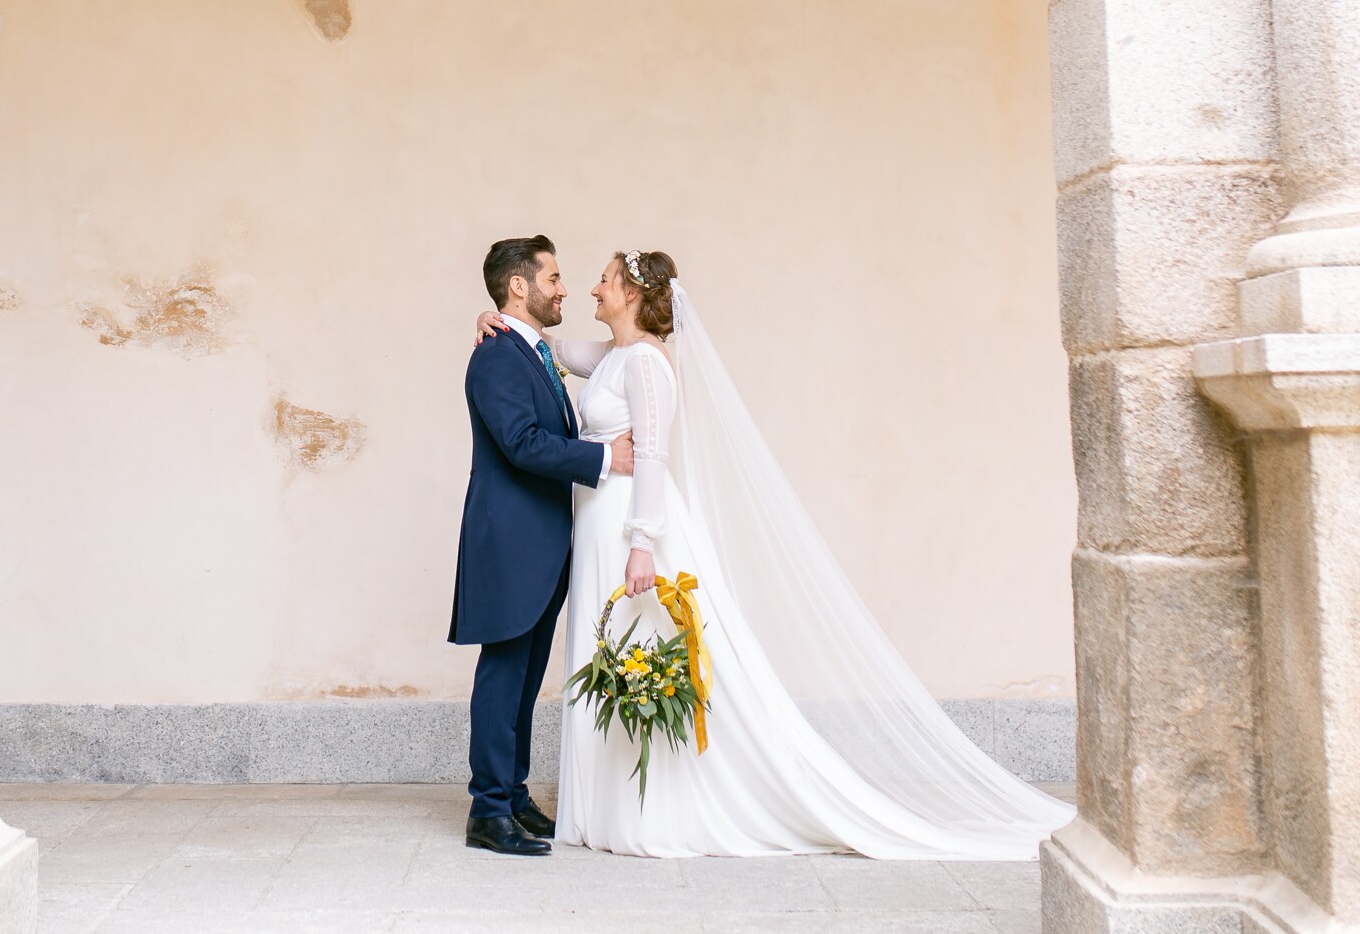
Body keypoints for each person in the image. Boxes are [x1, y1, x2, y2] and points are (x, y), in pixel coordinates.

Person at [474, 250, 1074, 859]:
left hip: (628, 525)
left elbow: (651, 456)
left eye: (603, 280)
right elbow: (546, 350)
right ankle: (579, 803)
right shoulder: (613, 356)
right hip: (596, 525)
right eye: (561, 278)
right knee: (608, 648)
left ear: (630, 293)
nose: (587, 289)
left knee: (639, 644)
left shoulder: (647, 363)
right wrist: (494, 319)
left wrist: (642, 545)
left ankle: (640, 808)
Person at [449, 236, 634, 856]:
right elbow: (522, 443)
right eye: (553, 278)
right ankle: (488, 810)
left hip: (542, 544)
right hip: (510, 544)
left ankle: (513, 794)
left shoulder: (528, 348)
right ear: (519, 286)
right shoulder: (497, 357)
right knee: (503, 676)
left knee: (525, 680)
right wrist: (605, 458)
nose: (564, 289)